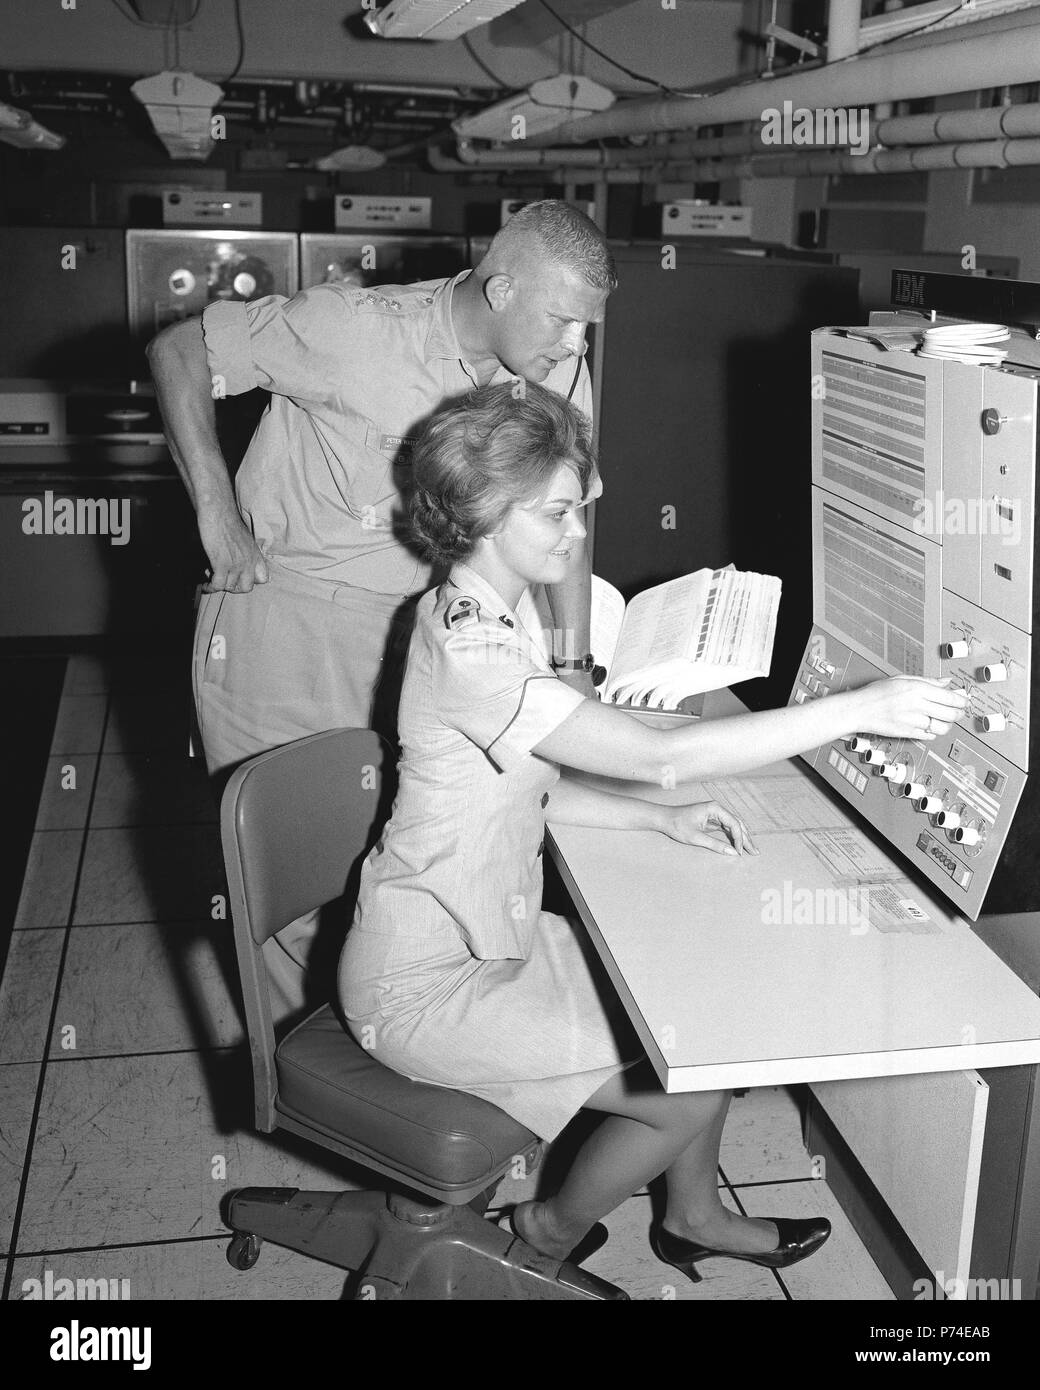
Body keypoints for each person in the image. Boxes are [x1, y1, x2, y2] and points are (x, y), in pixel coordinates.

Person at [338, 380, 969, 1282]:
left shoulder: (486, 606)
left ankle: (693, 1215)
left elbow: (521, 789)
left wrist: (654, 819)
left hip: (484, 932)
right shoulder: (472, 647)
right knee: (690, 1078)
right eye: (556, 513)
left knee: (701, 1001)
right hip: (423, 984)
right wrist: (856, 709)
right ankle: (548, 1229)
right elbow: (660, 753)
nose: (574, 532)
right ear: (483, 514)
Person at [146, 201, 614, 1016]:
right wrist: (217, 519)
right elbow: (178, 350)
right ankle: (328, 1071)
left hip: (427, 638)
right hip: (288, 626)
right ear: (500, 288)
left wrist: (572, 662)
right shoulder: (352, 328)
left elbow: (567, 514)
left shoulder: (552, 368)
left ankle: (410, 1037)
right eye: (565, 321)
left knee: (405, 854)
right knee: (295, 871)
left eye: (588, 328)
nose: (576, 347)